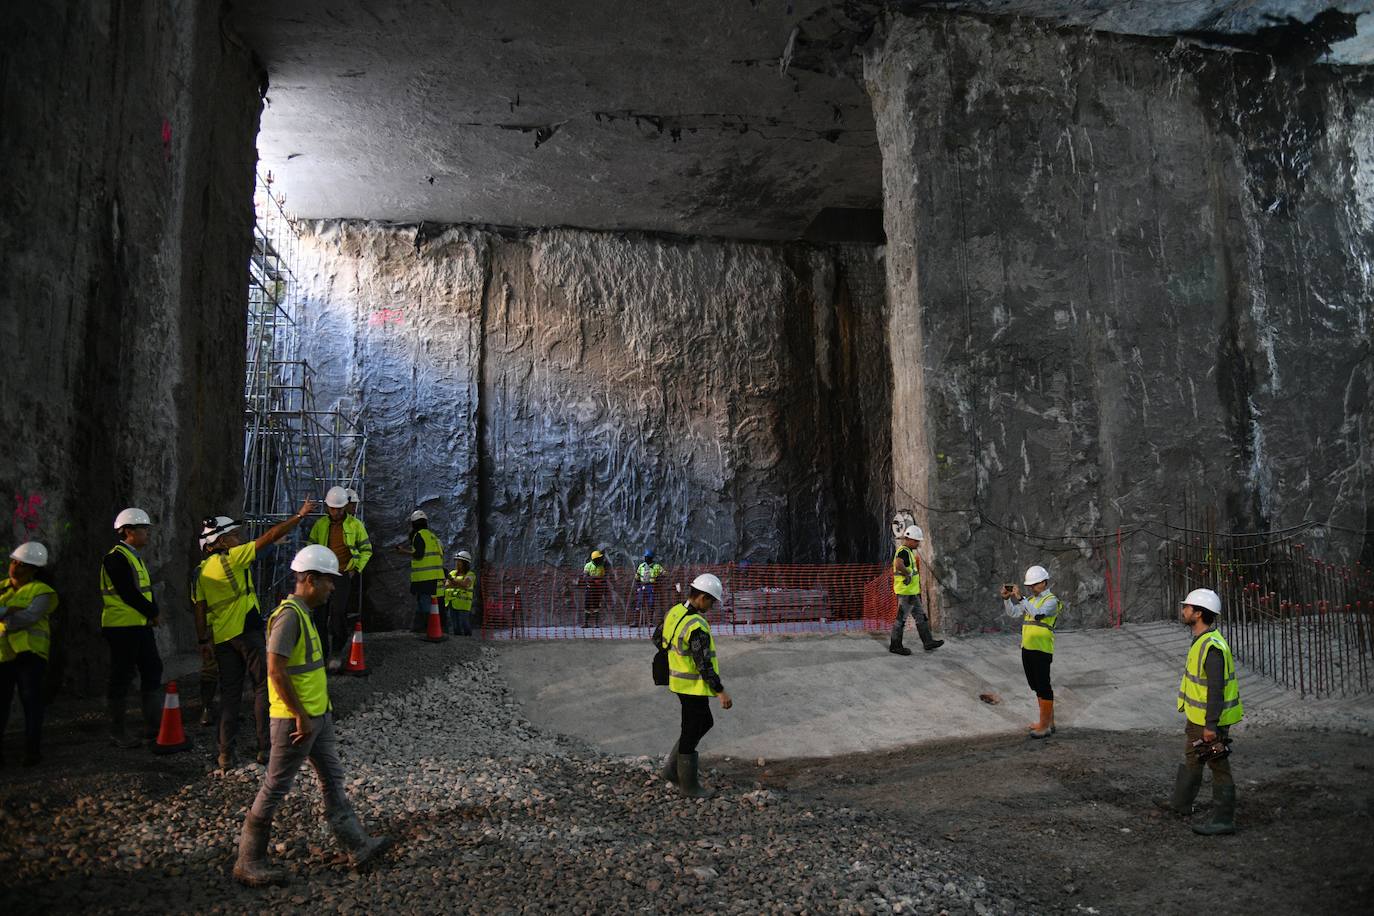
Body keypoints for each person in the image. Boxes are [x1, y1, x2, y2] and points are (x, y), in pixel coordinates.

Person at [233, 545, 391, 887]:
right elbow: (275, 671)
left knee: (332, 779)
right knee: (276, 785)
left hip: (317, 716)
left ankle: (357, 844)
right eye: (328, 582)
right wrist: (301, 715)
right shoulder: (289, 616)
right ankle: (249, 860)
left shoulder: (304, 614)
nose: (333, 588)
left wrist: (318, 713)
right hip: (296, 721)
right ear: (309, 579)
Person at [194, 500, 316, 769]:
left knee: (229, 695)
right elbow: (268, 537)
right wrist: (298, 516)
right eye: (234, 535)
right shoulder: (233, 557)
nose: (239, 539)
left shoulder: (201, 572)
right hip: (246, 632)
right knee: (263, 686)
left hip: (223, 637)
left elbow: (200, 610)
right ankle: (265, 748)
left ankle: (225, 753)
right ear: (222, 540)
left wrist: (203, 641)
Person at [1161, 587, 1244, 836]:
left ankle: (1223, 820)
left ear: (1198, 613)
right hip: (1196, 718)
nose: (1183, 610)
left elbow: (1216, 691)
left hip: (1210, 722)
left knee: (1218, 766)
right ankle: (1181, 803)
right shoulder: (1202, 641)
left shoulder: (1212, 648)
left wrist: (1210, 726)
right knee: (1192, 758)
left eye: (1187, 607)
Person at [653, 573, 733, 798]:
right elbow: (703, 663)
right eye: (711, 601)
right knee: (692, 729)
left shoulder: (674, 612)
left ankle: (671, 769)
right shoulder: (696, 625)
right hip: (692, 686)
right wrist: (720, 691)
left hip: (678, 682)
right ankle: (688, 786)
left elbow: (657, 638)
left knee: (702, 723)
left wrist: (676, 653)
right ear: (702, 597)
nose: (712, 606)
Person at [100, 507, 164, 748]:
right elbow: (128, 593)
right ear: (127, 531)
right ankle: (118, 731)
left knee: (152, 669)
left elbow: (144, 591)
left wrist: (152, 612)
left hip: (138, 625)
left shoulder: (133, 557)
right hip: (121, 626)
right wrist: (153, 612)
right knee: (121, 676)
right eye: (143, 530)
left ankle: (153, 726)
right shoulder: (115, 558)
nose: (147, 534)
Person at [0, 542, 58, 766]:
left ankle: (32, 751)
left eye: (22, 565)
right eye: (14, 562)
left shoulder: (42, 591)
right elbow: (19, 616)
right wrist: (8, 611)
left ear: (34, 569)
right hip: (4, 655)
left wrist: (5, 618)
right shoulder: (3, 588)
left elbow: (30, 617)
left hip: (31, 655)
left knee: (31, 703)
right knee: (2, 704)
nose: (15, 567)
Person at [306, 487, 372, 666]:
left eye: (339, 508)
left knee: (338, 614)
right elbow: (311, 546)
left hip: (342, 574)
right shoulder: (320, 525)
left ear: (344, 507)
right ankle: (322, 652)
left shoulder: (355, 525)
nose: (335, 512)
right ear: (328, 507)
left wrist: (355, 569)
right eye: (332, 508)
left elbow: (366, 549)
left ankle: (336, 652)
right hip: (322, 575)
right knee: (319, 615)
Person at [1002, 565, 1059, 738]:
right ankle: (1047, 722)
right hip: (1027, 648)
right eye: (1030, 585)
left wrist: (1021, 598)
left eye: (1034, 584)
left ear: (1044, 582)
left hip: (1042, 649)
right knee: (1036, 686)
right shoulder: (1031, 600)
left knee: (1044, 686)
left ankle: (1045, 726)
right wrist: (1006, 599)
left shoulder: (1051, 600)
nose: (1032, 588)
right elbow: (1013, 613)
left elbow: (1038, 615)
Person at [889, 525, 943, 655]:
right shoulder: (903, 552)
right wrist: (907, 574)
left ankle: (928, 642)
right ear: (910, 539)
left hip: (911, 592)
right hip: (906, 593)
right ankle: (895, 646)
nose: (918, 543)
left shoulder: (908, 552)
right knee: (901, 619)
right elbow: (898, 564)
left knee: (921, 617)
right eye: (916, 541)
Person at [394, 510, 444, 632]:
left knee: (424, 603)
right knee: (425, 602)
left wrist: (403, 551)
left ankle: (427, 628)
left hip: (424, 577)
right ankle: (420, 628)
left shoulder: (419, 535)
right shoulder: (433, 536)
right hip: (435, 575)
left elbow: (419, 554)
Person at [443, 550, 476, 636]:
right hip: (451, 602)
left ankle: (468, 639)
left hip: (463, 603)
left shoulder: (471, 574)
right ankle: (459, 642)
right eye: (456, 561)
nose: (457, 563)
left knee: (464, 623)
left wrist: (452, 580)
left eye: (460, 561)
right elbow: (447, 585)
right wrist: (458, 583)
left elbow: (465, 584)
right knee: (455, 625)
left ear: (465, 563)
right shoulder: (452, 573)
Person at [633, 550, 664, 627]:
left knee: (651, 603)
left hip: (651, 586)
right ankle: (636, 621)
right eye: (645, 557)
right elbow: (637, 576)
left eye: (648, 557)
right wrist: (637, 586)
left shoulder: (656, 566)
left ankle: (650, 621)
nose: (646, 559)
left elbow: (664, 573)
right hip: (642, 585)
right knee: (639, 603)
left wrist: (659, 580)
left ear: (651, 558)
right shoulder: (641, 566)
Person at [581, 549, 608, 628]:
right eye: (599, 558)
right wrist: (594, 579)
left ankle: (596, 624)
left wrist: (599, 581)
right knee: (587, 606)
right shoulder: (588, 565)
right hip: (589, 589)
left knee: (597, 606)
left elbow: (603, 577)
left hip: (598, 589)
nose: (601, 559)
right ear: (595, 559)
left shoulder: (601, 567)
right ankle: (586, 623)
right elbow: (585, 577)